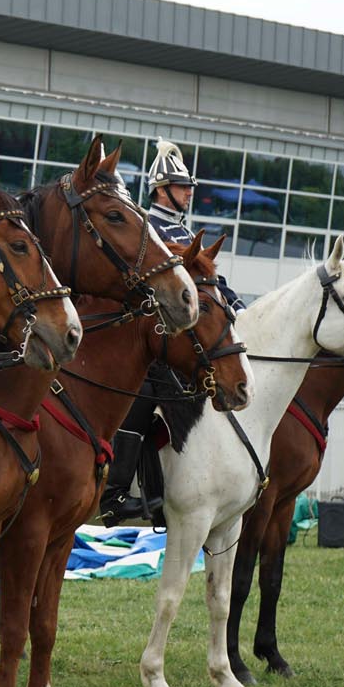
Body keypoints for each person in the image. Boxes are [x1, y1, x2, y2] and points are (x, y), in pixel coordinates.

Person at [100, 139, 247, 527]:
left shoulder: (180, 230)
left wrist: (236, 307)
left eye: (189, 187)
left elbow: (209, 280)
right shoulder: (147, 228)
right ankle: (115, 493)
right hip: (146, 335)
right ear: (161, 189)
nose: (189, 193)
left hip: (180, 334)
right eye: (182, 187)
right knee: (145, 392)